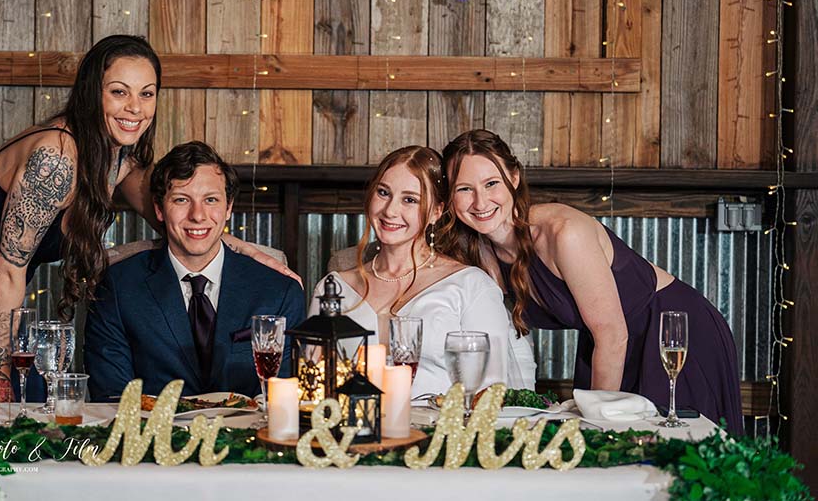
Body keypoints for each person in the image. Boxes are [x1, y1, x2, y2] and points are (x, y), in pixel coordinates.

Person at [0, 35, 294, 435]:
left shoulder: (115, 159)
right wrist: (1, 368)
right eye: (119, 92)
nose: (135, 107)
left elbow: (182, 223)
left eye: (147, 94)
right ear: (92, 93)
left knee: (39, 422)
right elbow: (7, 269)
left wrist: (249, 254)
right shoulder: (56, 158)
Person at [438, 129, 744, 433]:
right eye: (464, 189)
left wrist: (597, 424)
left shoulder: (563, 232)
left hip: (668, 336)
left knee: (671, 459)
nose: (480, 201)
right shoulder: (482, 251)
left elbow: (612, 335)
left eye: (491, 183)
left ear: (514, 178)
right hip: (604, 349)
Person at [309, 146, 536, 399]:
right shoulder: (334, 288)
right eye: (383, 193)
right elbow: (311, 382)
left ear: (436, 212)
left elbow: (492, 394)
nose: (390, 211)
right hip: (349, 431)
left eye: (410, 200)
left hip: (442, 433)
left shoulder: (470, 286)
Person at [85, 141, 306, 400]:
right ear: (159, 208)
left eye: (210, 200)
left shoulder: (279, 291)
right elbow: (111, 395)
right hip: (152, 436)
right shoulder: (119, 287)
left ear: (229, 208)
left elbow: (287, 393)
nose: (197, 215)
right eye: (181, 200)